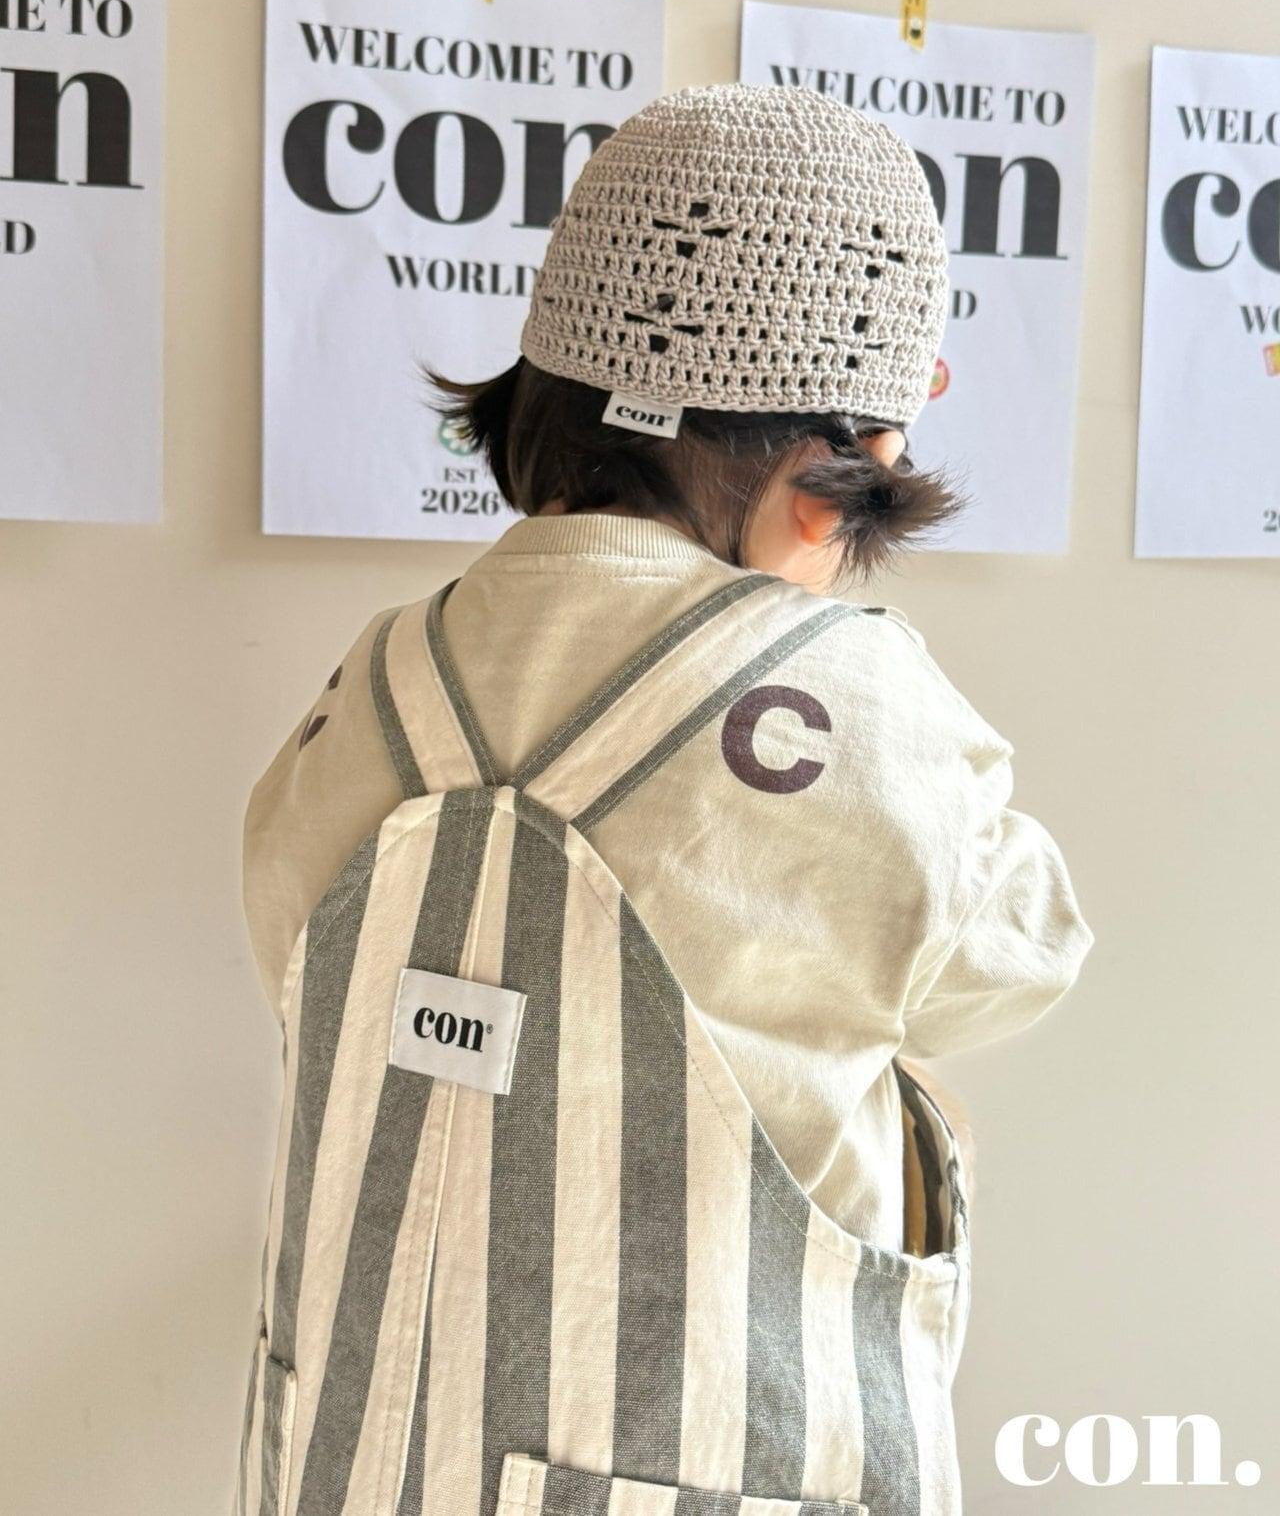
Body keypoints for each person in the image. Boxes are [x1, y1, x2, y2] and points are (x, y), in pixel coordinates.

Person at [238, 83, 1093, 1516]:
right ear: (829, 491)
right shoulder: (854, 706)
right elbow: (1018, 951)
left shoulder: (382, 679)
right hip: (709, 1458)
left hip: (361, 1458)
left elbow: (289, 931)